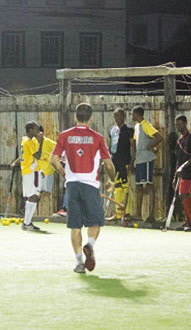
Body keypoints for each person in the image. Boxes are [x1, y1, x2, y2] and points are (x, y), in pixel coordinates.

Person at [50, 103, 115, 274]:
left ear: (75, 117)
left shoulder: (64, 136)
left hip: (72, 185)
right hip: (90, 185)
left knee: (75, 226)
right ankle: (90, 245)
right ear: (91, 118)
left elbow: (53, 159)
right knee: (95, 222)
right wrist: (112, 180)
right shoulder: (98, 138)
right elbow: (108, 164)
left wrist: (64, 173)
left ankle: (79, 263)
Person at [130, 105, 164, 224]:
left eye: (132, 114)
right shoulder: (137, 126)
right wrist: (132, 161)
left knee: (149, 186)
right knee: (139, 186)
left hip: (146, 160)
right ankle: (138, 214)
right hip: (139, 160)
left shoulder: (146, 125)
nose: (131, 116)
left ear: (137, 114)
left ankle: (151, 215)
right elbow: (135, 144)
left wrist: (150, 146)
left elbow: (159, 137)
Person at [106, 108, 134, 222]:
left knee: (125, 187)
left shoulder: (129, 130)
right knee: (117, 188)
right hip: (114, 162)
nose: (117, 118)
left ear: (124, 117)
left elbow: (133, 147)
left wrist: (132, 162)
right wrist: (107, 160)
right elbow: (110, 146)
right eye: (115, 116)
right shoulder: (112, 130)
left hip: (125, 162)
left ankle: (126, 212)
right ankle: (117, 213)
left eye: (119, 116)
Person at [173, 115, 191, 231]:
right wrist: (175, 176)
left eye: (179, 124)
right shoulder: (179, 140)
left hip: (189, 171)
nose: (178, 126)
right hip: (181, 172)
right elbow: (178, 159)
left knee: (184, 194)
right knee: (182, 195)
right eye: (176, 125)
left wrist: (182, 167)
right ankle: (189, 221)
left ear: (185, 123)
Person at [18, 121, 43, 231]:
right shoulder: (29, 142)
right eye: (36, 129)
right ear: (31, 130)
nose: (38, 131)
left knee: (33, 196)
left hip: (27, 171)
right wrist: (41, 142)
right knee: (34, 196)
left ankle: (27, 221)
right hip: (31, 171)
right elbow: (37, 155)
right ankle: (26, 223)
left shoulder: (24, 139)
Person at [37, 125, 57, 202]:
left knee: (47, 192)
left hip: (48, 170)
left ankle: (47, 210)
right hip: (40, 170)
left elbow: (58, 147)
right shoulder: (34, 142)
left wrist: (51, 156)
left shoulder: (47, 142)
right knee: (39, 191)